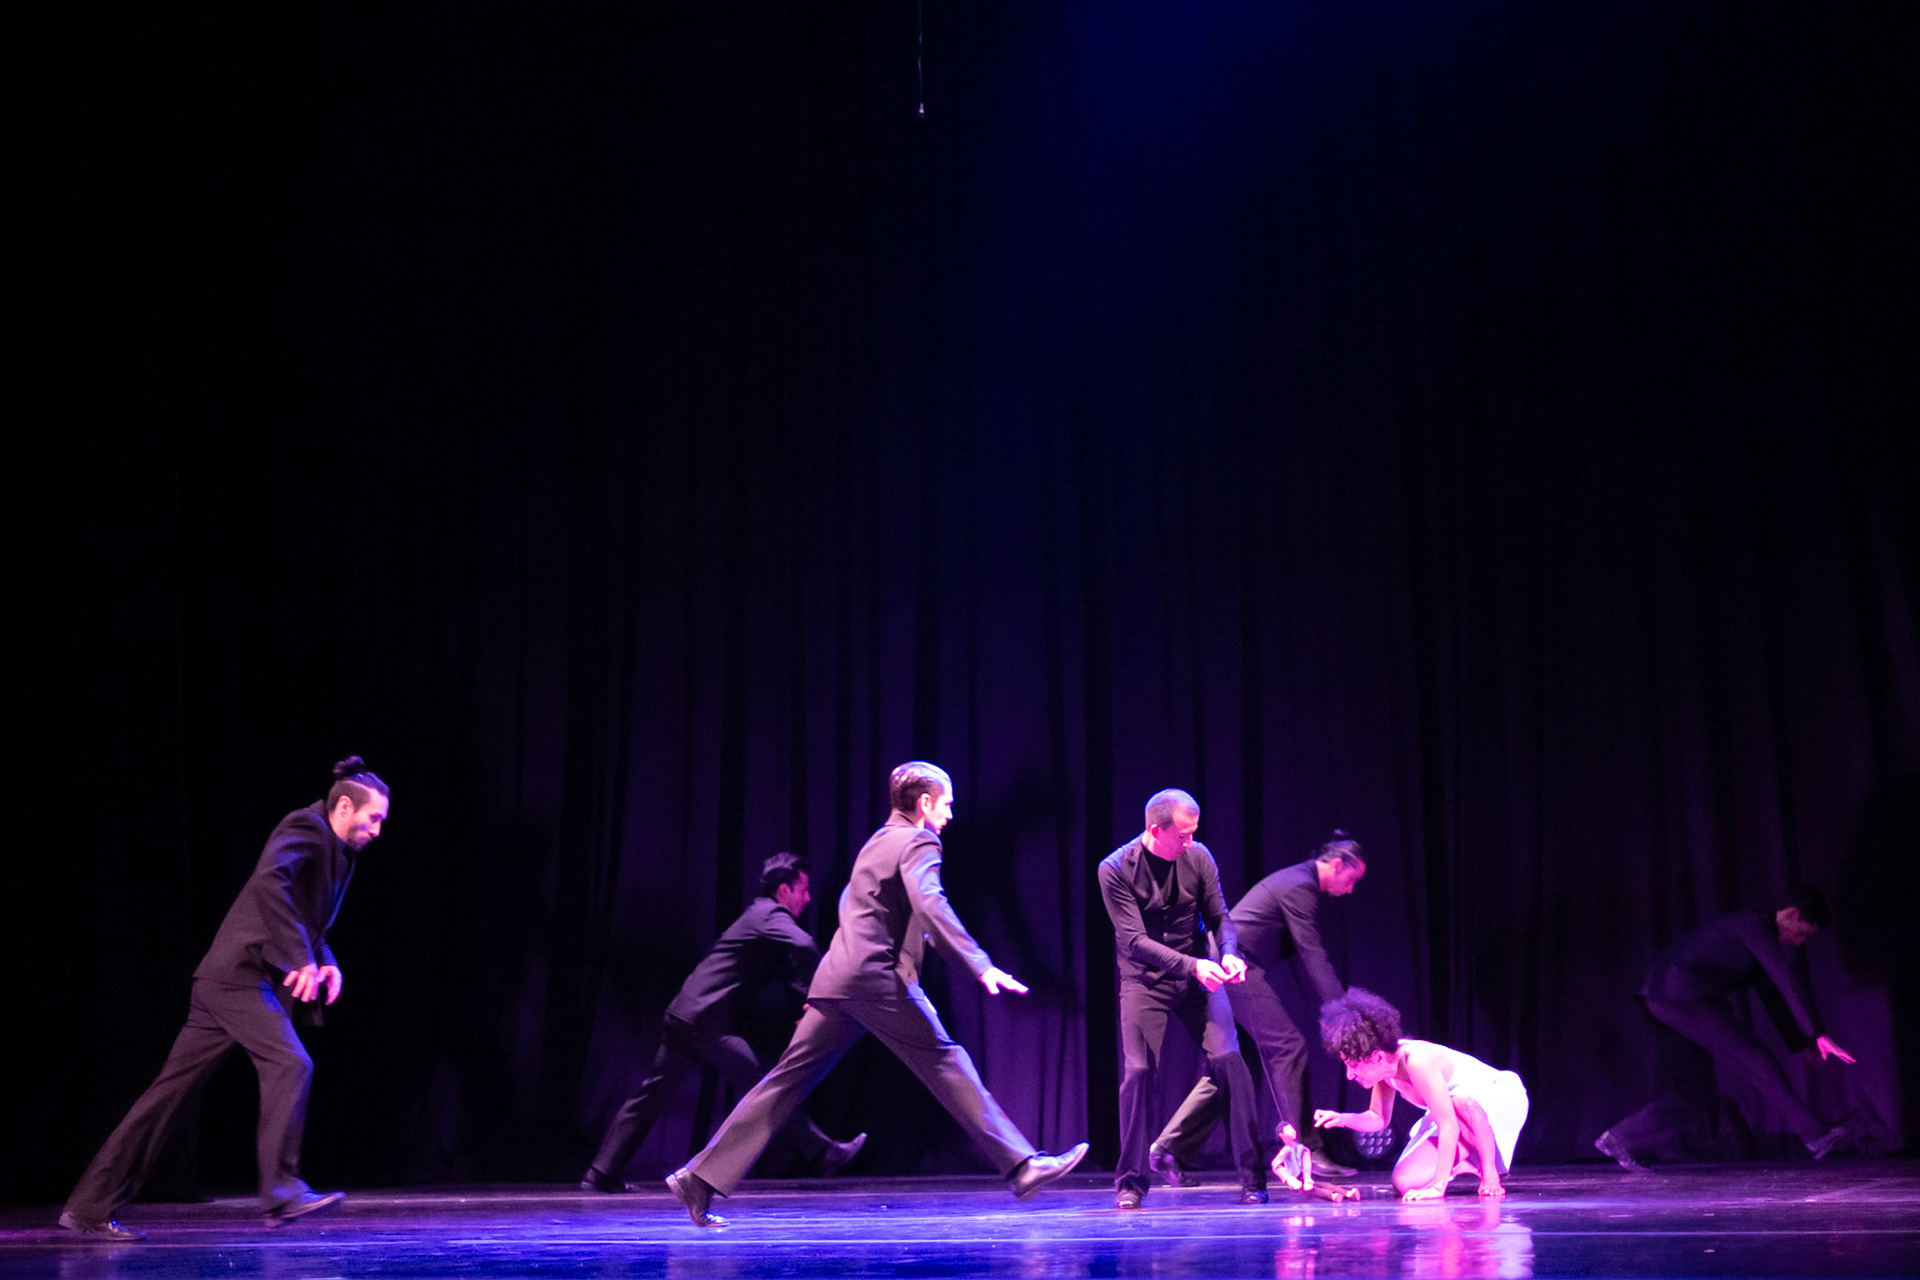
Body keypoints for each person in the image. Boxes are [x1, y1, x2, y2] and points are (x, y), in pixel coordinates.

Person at [664, 762, 1087, 1228]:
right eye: (946, 804)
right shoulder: (919, 841)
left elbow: (856, 903)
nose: (949, 814)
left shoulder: (878, 841)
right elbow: (932, 903)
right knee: (945, 1059)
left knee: (783, 1083)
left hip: (838, 979)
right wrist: (979, 963)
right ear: (924, 803)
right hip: (875, 979)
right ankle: (1022, 1166)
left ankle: (698, 1178)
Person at [60, 757, 391, 1240]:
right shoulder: (306, 825)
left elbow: (307, 916)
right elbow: (270, 883)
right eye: (373, 818)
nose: (377, 830)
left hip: (231, 981)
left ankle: (88, 1207)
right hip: (237, 977)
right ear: (344, 806)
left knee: (167, 1097)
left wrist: (324, 959)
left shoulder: (340, 853)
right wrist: (299, 957)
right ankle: (282, 1192)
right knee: (291, 1063)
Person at [581, 853, 866, 1191]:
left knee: (651, 1095)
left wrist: (810, 999)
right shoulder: (768, 914)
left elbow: (792, 975)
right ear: (783, 890)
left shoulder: (764, 921)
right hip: (703, 1021)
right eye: (802, 889)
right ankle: (822, 1152)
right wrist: (822, 991)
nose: (807, 897)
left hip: (685, 1014)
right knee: (768, 1083)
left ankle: (600, 1173)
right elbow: (804, 945)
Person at [1594, 888, 1868, 1169]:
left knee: (1695, 1092)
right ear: (1791, 914)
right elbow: (1787, 980)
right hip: (1680, 995)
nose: (1798, 942)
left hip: (1661, 998)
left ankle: (1620, 1138)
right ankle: (1817, 1135)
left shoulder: (1757, 936)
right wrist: (1818, 1033)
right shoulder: (1756, 925)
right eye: (1802, 933)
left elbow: (1773, 997)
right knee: (1756, 1057)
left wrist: (1805, 1044)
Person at [1149, 834, 1368, 1183]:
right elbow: (1313, 956)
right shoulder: (1299, 886)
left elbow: (1301, 963)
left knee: (1233, 1066)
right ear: (1337, 865)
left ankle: (1169, 1149)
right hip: (1233, 966)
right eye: (1352, 879)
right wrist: (1346, 1016)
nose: (1351, 888)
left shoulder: (1298, 882)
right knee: (1288, 1047)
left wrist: (1329, 1013)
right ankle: (1305, 1151)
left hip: (1228, 966)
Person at [1098, 788, 1266, 1209]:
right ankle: (1130, 1183)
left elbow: (1220, 916)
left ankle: (1252, 1179)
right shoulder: (1115, 869)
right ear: (1156, 831)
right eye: (1183, 835)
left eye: (1194, 833)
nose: (1190, 842)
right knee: (1138, 1072)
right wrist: (1193, 966)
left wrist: (1229, 953)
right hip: (1145, 981)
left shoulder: (1199, 857)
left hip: (1198, 977)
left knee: (1229, 1061)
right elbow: (1134, 941)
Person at [1314, 987, 1528, 1201]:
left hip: (1494, 1100)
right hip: (1455, 1119)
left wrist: (1437, 1188)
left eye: (1353, 1065)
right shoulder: (1386, 1072)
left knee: (1460, 1101)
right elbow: (1378, 1118)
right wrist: (1344, 1119)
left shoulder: (1418, 1061)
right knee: (1404, 1181)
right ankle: (1464, 1162)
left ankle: (1489, 1172)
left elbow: (1448, 1126)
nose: (1350, 1075)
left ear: (1378, 1058)